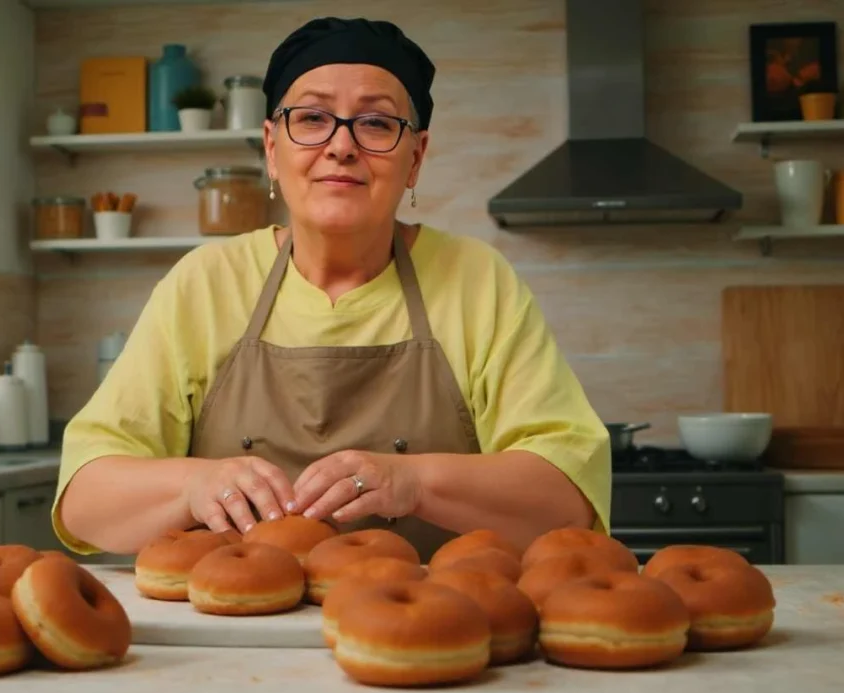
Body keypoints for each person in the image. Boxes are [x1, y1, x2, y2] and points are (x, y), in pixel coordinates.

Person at [51, 17, 611, 562]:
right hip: (233, 638)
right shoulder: (205, 284)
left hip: (433, 636)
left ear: (414, 158)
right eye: (313, 118)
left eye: (375, 124)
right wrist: (194, 485)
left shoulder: (478, 283)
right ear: (272, 148)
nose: (341, 146)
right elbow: (84, 498)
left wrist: (412, 480)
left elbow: (567, 498)